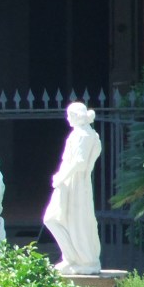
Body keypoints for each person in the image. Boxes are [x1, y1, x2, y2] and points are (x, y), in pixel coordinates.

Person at [44, 102, 102, 275]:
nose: (67, 118)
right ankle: (72, 257)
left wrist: (60, 177)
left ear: (77, 116)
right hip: (73, 182)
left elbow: (80, 162)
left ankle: (82, 259)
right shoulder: (87, 134)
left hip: (74, 182)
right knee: (60, 220)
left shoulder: (82, 135)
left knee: (70, 221)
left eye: (69, 115)